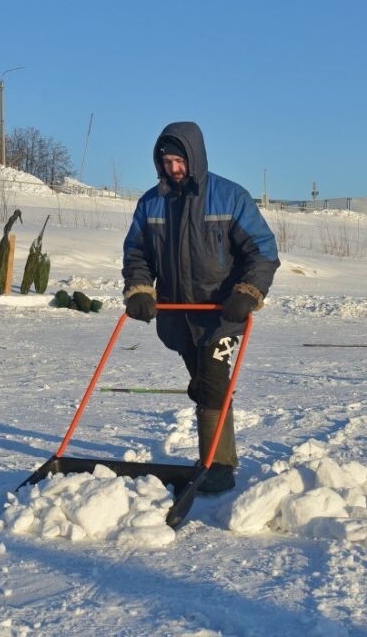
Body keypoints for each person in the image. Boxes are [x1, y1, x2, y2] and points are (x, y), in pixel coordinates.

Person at [122, 121, 280, 493]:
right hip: (178, 316)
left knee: (212, 384)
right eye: (166, 161)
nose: (173, 168)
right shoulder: (151, 202)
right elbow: (137, 253)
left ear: (195, 157)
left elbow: (262, 251)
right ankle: (213, 456)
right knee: (201, 384)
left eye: (179, 160)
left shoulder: (229, 197)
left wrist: (248, 292)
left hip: (221, 314)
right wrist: (141, 289)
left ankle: (219, 466)